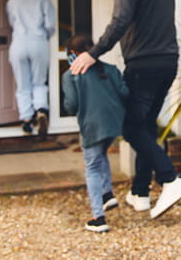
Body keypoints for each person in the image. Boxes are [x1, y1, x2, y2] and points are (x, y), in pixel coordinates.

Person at [69, 0, 181, 219]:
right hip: (168, 62)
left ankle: (171, 179)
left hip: (143, 65)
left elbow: (120, 19)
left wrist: (93, 53)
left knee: (132, 127)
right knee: (146, 126)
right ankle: (140, 193)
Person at [62, 34, 128, 233]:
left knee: (91, 167)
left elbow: (72, 105)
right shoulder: (110, 69)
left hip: (91, 125)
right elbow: (125, 93)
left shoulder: (71, 75)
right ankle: (107, 194)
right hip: (114, 124)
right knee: (101, 155)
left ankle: (98, 217)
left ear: (73, 54)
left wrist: (67, 106)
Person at [6, 0, 55, 137]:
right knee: (39, 81)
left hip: (19, 42)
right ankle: (41, 109)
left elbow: (12, 21)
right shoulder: (44, 1)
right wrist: (44, 35)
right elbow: (50, 25)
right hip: (38, 42)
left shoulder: (13, 0)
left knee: (22, 83)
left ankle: (26, 120)